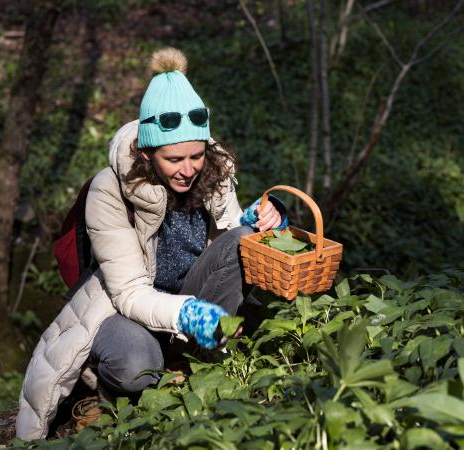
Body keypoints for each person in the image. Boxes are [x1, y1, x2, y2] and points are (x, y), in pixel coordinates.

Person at [15, 47, 286, 440]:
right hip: (126, 310)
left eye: (196, 155)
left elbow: (229, 239)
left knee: (244, 240)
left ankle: (201, 362)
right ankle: (112, 397)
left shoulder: (214, 171)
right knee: (136, 364)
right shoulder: (108, 192)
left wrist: (261, 220)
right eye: (175, 159)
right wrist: (190, 314)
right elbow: (128, 293)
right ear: (147, 152)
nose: (189, 169)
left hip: (190, 298)